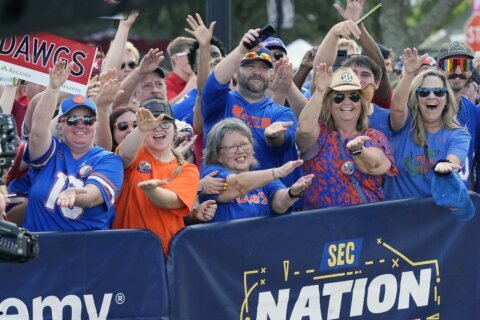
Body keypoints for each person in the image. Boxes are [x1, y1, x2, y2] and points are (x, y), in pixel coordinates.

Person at [201, 28, 302, 209]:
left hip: (270, 207)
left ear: (271, 74)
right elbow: (213, 83)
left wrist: (273, 136)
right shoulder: (220, 103)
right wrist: (241, 50)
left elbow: (283, 142)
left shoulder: (281, 113)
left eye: (264, 67)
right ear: (235, 71)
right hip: (223, 204)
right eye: (249, 65)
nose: (257, 71)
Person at [23, 61, 124, 231]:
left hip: (84, 252)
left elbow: (94, 196)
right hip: (40, 251)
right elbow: (38, 131)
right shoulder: (51, 153)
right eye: (72, 119)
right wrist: (53, 89)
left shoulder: (109, 160)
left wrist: (76, 196)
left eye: (87, 120)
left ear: (95, 124)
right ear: (60, 126)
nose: (80, 124)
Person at [296, 65, 396, 209]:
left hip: (366, 224)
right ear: (329, 103)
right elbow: (304, 130)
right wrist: (319, 92)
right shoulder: (319, 134)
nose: (347, 102)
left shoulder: (373, 136)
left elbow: (376, 164)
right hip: (321, 226)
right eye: (338, 97)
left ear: (361, 103)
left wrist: (359, 150)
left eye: (354, 96)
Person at [113, 99, 199, 254]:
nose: (157, 128)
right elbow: (125, 156)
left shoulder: (187, 169)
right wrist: (141, 129)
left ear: (174, 129)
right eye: (151, 124)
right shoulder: (135, 153)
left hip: (165, 255)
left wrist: (152, 191)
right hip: (125, 251)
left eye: (165, 123)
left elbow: (171, 201)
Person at [383, 48, 470, 200]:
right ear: (415, 98)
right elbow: (396, 108)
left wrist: (446, 166)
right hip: (397, 216)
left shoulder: (459, 134)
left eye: (438, 92)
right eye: (423, 92)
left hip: (436, 219)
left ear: (446, 98)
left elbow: (453, 160)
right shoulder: (403, 125)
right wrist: (409, 74)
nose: (431, 96)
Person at [201, 118, 313, 222]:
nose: (240, 150)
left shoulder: (263, 178)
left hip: (259, 240)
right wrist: (277, 172)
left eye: (244, 144)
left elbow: (279, 204)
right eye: (231, 147)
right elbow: (237, 185)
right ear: (218, 156)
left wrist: (293, 192)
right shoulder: (212, 174)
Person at [435, 41, 478, 189]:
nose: (458, 71)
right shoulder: (424, 106)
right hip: (428, 200)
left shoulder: (473, 111)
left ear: (471, 71)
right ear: (438, 69)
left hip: (462, 201)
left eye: (465, 65)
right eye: (451, 65)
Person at [166, 36, 196, 104]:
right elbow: (170, 108)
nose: (196, 59)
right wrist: (190, 87)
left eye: (197, 55)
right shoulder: (166, 84)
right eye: (190, 55)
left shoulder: (199, 80)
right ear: (176, 58)